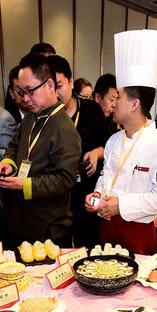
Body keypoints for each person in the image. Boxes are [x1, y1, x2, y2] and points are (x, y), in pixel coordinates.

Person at [86, 29, 157, 256]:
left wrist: (122, 206)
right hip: (106, 227)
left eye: (118, 97)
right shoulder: (113, 140)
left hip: (137, 232)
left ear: (134, 104)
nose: (114, 103)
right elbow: (105, 175)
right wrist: (98, 194)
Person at [0, 53, 81, 248]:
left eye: (30, 91)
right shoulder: (31, 117)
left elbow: (65, 180)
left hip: (48, 229)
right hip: (20, 221)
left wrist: (24, 184)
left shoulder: (64, 128)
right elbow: (13, 147)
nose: (26, 99)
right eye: (21, 92)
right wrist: (7, 164)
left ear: (50, 85)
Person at [49, 55, 110, 249]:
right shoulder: (47, 116)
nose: (55, 93)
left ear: (71, 82)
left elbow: (110, 147)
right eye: (50, 87)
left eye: (59, 86)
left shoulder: (91, 110)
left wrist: (96, 153)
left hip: (87, 192)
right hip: (58, 198)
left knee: (90, 247)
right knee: (60, 251)